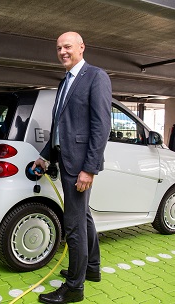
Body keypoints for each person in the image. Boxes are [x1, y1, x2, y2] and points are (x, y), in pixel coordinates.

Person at [32, 32, 112, 303]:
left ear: (81, 47)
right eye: (58, 48)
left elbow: (101, 126)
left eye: (67, 46)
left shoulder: (95, 76)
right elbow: (59, 127)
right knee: (83, 217)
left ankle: (74, 288)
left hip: (79, 165)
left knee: (74, 224)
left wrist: (89, 168)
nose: (63, 52)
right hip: (65, 159)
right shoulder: (64, 81)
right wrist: (44, 156)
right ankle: (91, 269)